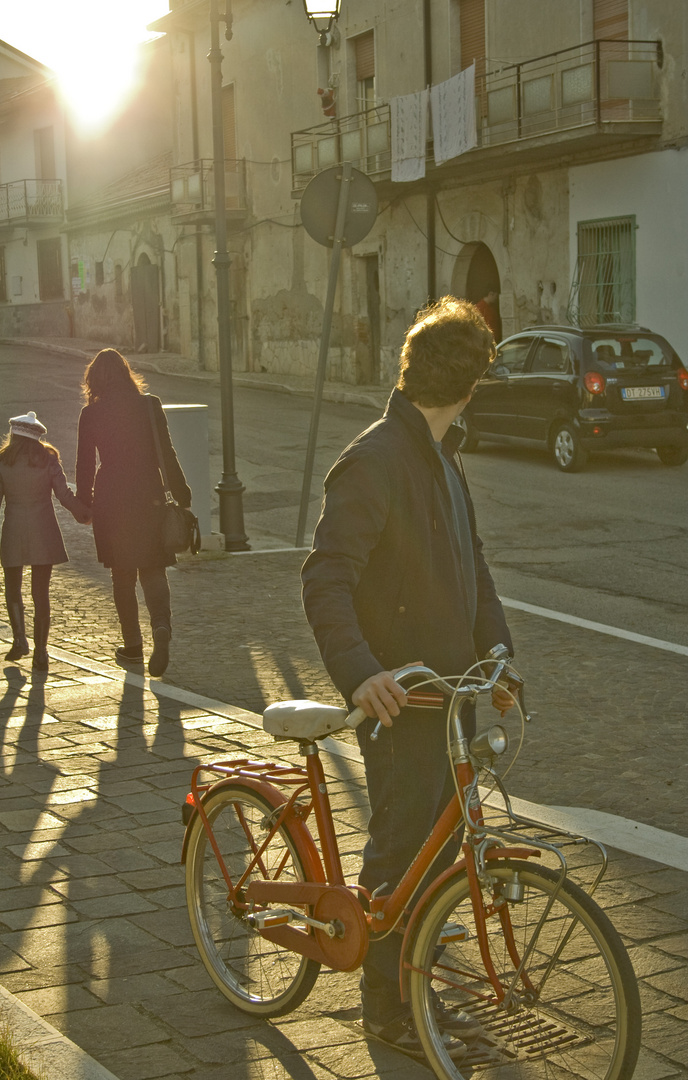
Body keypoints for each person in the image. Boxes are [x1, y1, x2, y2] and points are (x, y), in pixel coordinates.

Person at [301, 296, 514, 1061]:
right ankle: (387, 1015)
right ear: (471, 382)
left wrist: (499, 656)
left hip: (449, 695)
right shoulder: (377, 459)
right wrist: (361, 676)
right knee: (398, 858)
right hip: (399, 704)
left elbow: (473, 567)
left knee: (439, 856)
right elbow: (326, 576)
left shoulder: (442, 456)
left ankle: (414, 993)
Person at [75, 348, 191, 678]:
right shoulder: (149, 406)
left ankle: (133, 646)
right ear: (128, 374)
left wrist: (85, 503)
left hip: (111, 498)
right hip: (149, 494)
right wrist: (181, 493)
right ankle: (162, 627)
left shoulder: (91, 414)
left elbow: (84, 464)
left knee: (122, 574)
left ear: (94, 380)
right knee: (153, 568)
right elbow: (165, 453)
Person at [0, 411, 91, 671]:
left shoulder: (2, 462)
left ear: (14, 435)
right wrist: (84, 514)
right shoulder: (48, 460)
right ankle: (41, 651)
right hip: (45, 531)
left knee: (12, 588)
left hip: (13, 531)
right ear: (37, 436)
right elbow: (64, 495)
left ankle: (19, 639)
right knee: (41, 593)